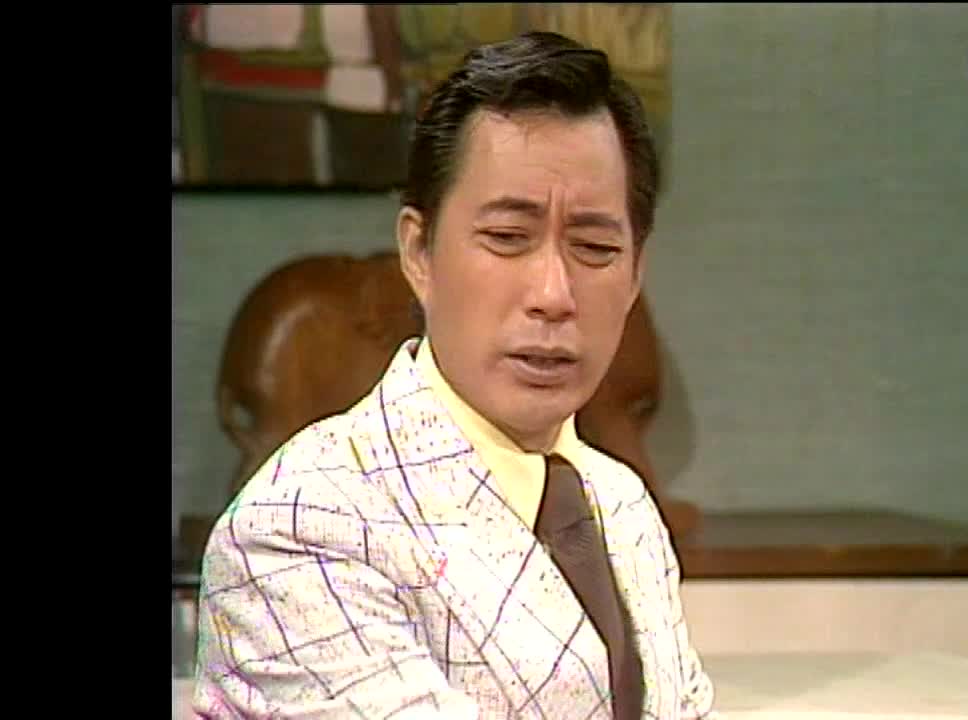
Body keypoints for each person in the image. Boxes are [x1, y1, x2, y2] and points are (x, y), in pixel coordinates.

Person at [190, 31, 719, 719]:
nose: (553, 294)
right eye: (507, 238)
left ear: (636, 275)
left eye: (595, 246)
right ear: (419, 252)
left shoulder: (622, 505)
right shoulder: (300, 526)